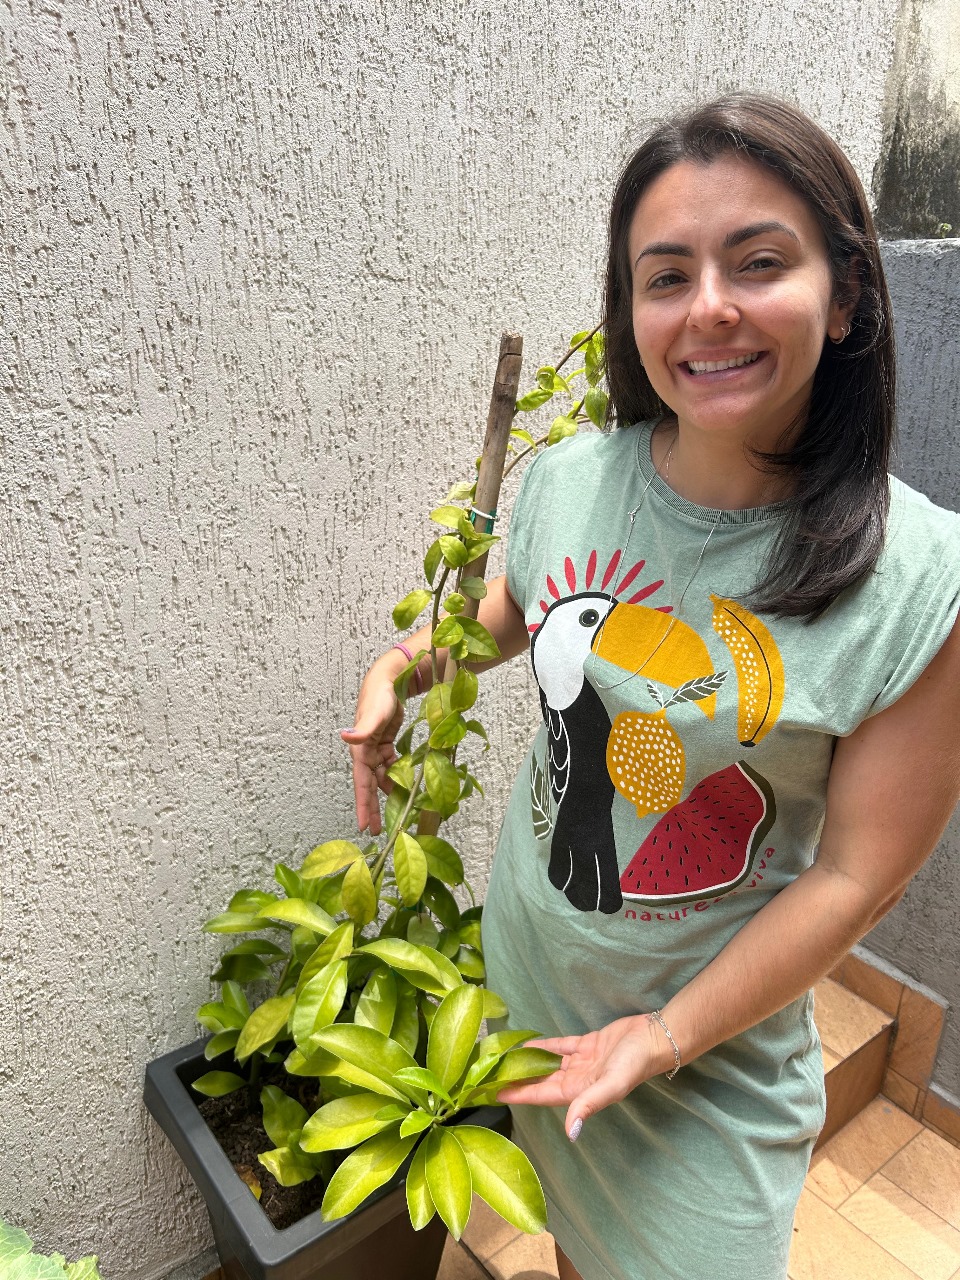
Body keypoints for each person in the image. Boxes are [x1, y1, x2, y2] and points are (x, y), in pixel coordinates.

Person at [342, 95, 960, 1280]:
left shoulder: (919, 584)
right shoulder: (575, 476)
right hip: (537, 975)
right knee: (575, 1247)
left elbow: (853, 880)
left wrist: (663, 1036)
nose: (710, 305)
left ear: (849, 298)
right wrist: (403, 668)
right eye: (665, 274)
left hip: (706, 1050)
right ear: (632, 311)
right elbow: (511, 618)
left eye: (761, 261)